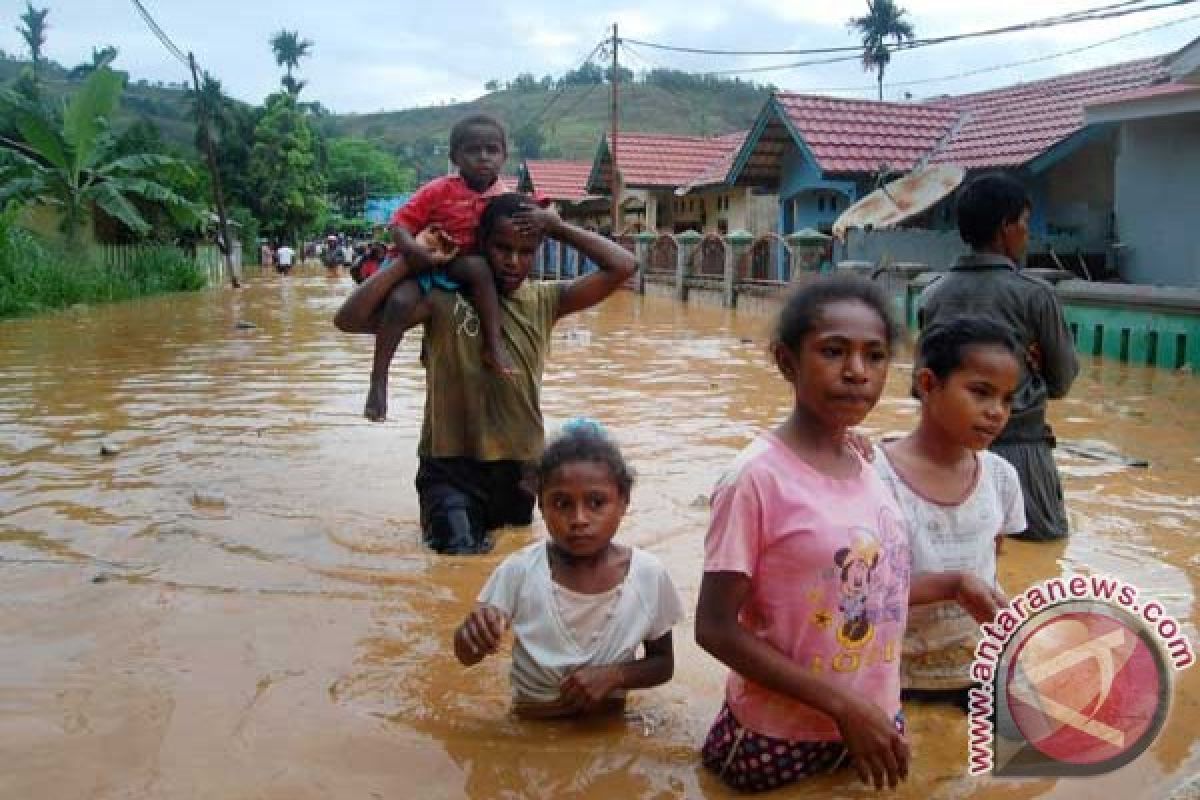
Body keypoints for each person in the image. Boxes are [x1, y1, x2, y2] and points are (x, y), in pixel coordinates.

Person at [694, 276, 1007, 794]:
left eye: (876, 355)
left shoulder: (866, 465)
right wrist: (843, 706)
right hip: (778, 735)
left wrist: (955, 582)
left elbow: (863, 595)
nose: (857, 372)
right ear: (787, 362)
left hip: (876, 721)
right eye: (833, 352)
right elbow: (715, 628)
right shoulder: (756, 479)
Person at [333, 193, 637, 555]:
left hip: (520, 470)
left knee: (511, 564)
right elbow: (349, 319)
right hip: (450, 468)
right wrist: (411, 260)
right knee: (458, 561)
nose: (512, 262)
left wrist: (557, 228)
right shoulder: (442, 299)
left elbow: (624, 265)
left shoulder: (545, 300)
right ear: (480, 245)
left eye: (525, 252)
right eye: (501, 248)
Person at [453, 421, 684, 718]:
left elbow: (663, 664)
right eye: (562, 503)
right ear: (541, 506)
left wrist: (615, 675)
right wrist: (471, 637)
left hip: (607, 729)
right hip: (532, 730)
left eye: (596, 503)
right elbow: (466, 656)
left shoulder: (648, 575)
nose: (578, 519)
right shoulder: (519, 571)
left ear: (623, 502)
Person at [873, 316, 1022, 712]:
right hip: (891, 674)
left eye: (1007, 399)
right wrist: (952, 586)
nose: (997, 412)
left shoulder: (1001, 478)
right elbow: (854, 593)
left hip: (977, 668)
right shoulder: (872, 476)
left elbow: (991, 562)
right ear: (927, 385)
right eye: (980, 393)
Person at [919, 173, 1079, 541]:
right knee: (1040, 570)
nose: (1027, 232)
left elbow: (924, 385)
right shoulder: (1036, 296)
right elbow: (1062, 380)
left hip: (948, 454)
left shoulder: (932, 296)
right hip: (1021, 453)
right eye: (1024, 223)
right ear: (1005, 227)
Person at [362, 113, 518, 422]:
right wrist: (413, 251)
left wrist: (546, 216)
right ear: (455, 157)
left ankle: (493, 345)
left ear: (504, 156)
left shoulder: (505, 198)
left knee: (478, 268)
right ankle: (378, 379)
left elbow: (532, 213)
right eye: (473, 150)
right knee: (399, 302)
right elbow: (400, 225)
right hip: (424, 263)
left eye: (492, 150)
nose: (483, 157)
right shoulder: (437, 190)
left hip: (463, 267)